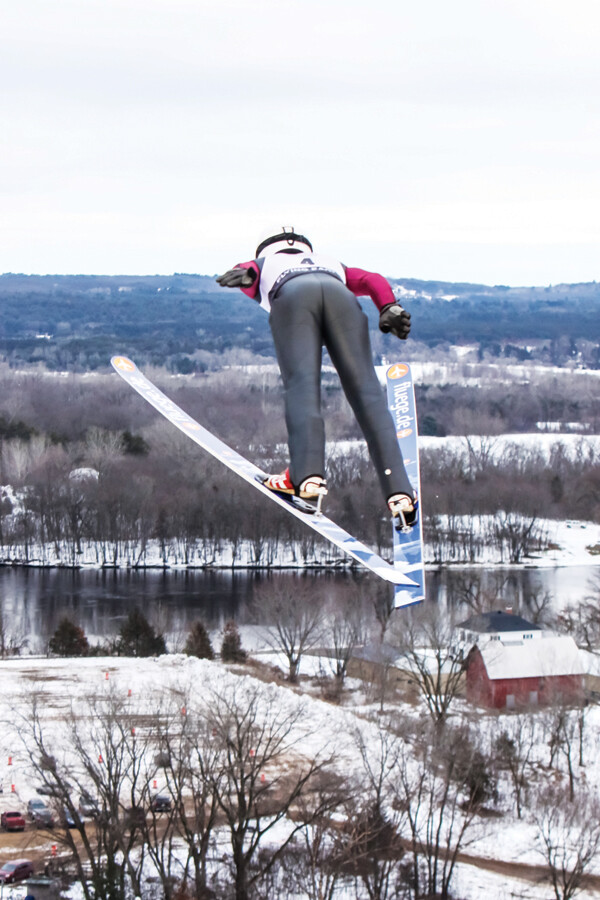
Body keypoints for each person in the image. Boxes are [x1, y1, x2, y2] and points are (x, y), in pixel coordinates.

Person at [216, 226, 417, 528]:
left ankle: (307, 478)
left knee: (302, 386)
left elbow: (249, 272)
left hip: (292, 296)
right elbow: (372, 280)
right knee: (367, 393)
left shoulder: (267, 262)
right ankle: (400, 495)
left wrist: (245, 275)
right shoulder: (330, 261)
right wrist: (388, 305)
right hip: (341, 296)